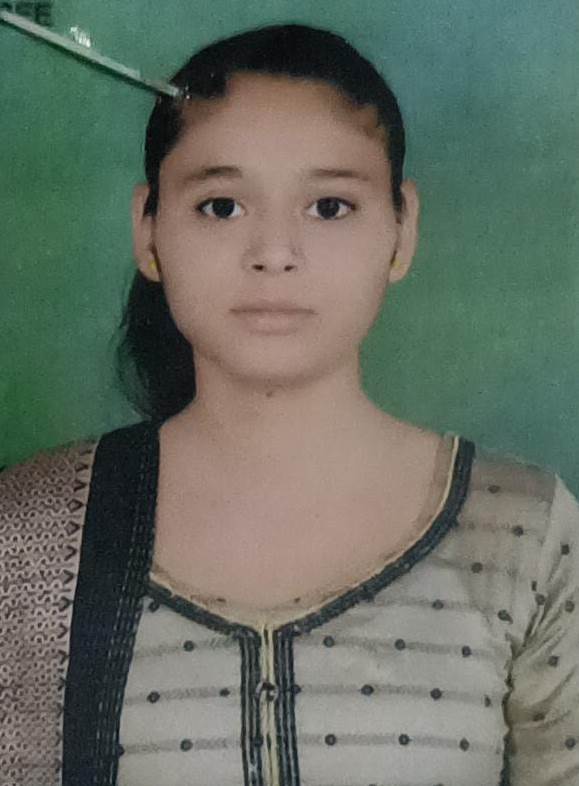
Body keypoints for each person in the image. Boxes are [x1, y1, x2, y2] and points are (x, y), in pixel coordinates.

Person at [1, 23, 578, 786]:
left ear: (402, 229)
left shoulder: (527, 534)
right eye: (220, 207)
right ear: (148, 230)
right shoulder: (26, 531)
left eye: (329, 206)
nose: (274, 253)